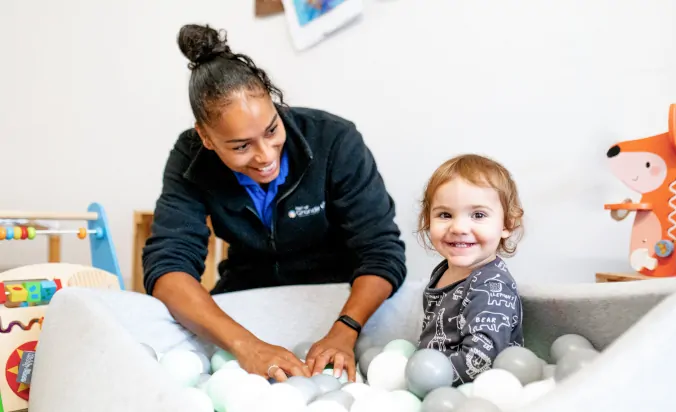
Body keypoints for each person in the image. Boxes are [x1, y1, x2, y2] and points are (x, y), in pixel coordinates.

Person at [141, 23, 406, 383]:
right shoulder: (189, 158)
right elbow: (168, 269)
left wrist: (345, 329)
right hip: (248, 294)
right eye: (240, 146)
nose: (265, 156)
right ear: (205, 137)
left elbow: (381, 251)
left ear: (275, 102)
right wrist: (245, 345)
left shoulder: (334, 141)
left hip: (337, 300)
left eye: (271, 130)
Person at [415, 154, 525, 386]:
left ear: (508, 224)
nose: (459, 227)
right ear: (428, 220)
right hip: (433, 379)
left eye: (478, 215)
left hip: (473, 391)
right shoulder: (443, 271)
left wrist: (421, 382)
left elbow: (481, 360)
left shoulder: (491, 285)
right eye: (445, 215)